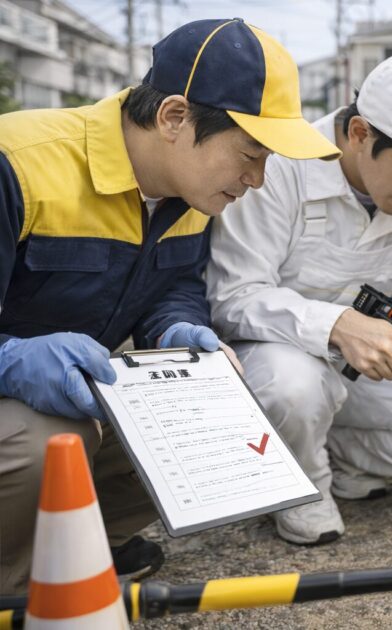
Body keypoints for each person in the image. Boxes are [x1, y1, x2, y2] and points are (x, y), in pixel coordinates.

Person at [0, 18, 339, 594]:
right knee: (50, 436)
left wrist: (179, 329)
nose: (257, 180)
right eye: (250, 154)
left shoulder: (190, 194)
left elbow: (174, 284)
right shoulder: (21, 163)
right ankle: (13, 584)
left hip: (67, 390)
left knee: (187, 412)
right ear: (174, 117)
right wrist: (14, 360)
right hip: (24, 404)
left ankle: (85, 551)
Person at [207, 51, 392, 545]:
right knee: (293, 386)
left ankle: (334, 450)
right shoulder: (280, 168)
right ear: (360, 134)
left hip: (369, 361)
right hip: (273, 354)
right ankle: (300, 486)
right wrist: (337, 325)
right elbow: (233, 298)